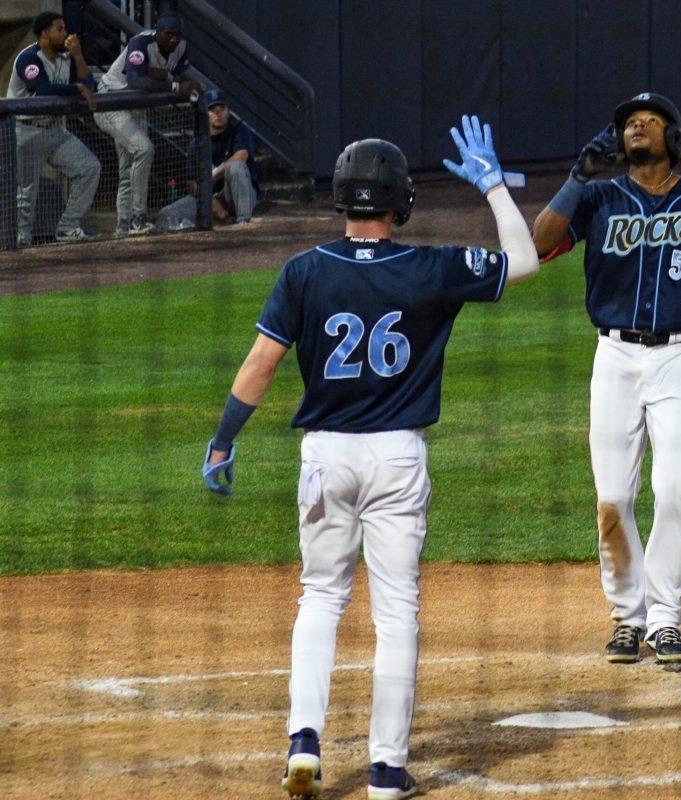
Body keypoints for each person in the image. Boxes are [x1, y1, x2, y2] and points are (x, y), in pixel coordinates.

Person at [201, 117, 536, 799]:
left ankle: (303, 742)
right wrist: (496, 188)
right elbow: (523, 261)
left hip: (326, 457)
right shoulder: (432, 268)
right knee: (398, 612)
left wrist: (224, 437)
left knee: (320, 597)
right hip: (396, 459)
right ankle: (386, 770)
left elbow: (262, 361)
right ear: (398, 200)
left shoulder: (304, 271)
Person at [531, 92, 681, 666]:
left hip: (678, 360)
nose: (636, 127)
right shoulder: (598, 197)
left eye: (649, 121)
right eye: (629, 122)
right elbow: (538, 242)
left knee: (678, 486)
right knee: (613, 496)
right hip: (614, 360)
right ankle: (626, 617)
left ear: (672, 137)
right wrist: (576, 177)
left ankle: (665, 619)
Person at [94, 13, 200, 236]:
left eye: (177, 35)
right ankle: (138, 218)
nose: (173, 39)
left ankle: (123, 227)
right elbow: (136, 80)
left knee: (127, 169)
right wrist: (172, 86)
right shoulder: (140, 42)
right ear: (157, 32)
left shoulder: (181, 48)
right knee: (144, 149)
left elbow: (177, 76)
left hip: (136, 104)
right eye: (168, 35)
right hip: (111, 99)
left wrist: (166, 77)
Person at [6, 11, 101, 245]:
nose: (65, 33)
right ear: (45, 34)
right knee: (26, 192)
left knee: (89, 167)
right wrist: (76, 89)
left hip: (55, 129)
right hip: (26, 130)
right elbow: (43, 89)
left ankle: (68, 227)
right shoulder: (29, 58)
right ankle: (21, 241)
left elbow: (89, 86)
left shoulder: (66, 58)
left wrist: (78, 55)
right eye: (60, 29)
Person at [204, 88, 258, 223]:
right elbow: (192, 183)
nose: (218, 113)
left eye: (222, 108)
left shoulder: (239, 130)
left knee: (236, 167)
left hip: (240, 193)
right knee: (170, 213)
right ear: (205, 113)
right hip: (213, 197)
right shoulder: (197, 141)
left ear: (228, 111)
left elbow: (241, 156)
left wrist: (214, 175)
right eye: (213, 109)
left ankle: (244, 222)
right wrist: (209, 201)